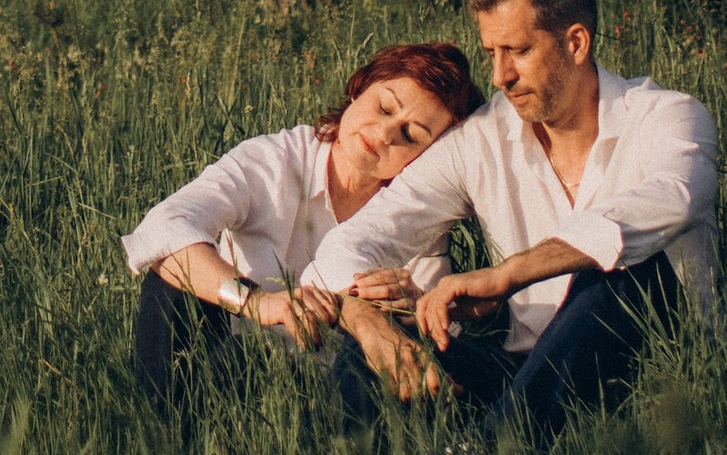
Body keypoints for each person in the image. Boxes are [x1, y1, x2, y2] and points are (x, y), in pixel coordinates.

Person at [296, 0, 717, 445]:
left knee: (620, 271)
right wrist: (366, 321)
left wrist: (508, 274)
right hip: (521, 375)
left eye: (518, 51)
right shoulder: (482, 138)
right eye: (491, 53)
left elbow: (676, 197)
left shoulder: (667, 116)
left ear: (576, 43)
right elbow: (353, 243)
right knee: (384, 328)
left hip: (650, 372)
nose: (499, 77)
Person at [125, 40, 480, 404]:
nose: (386, 133)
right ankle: (163, 426)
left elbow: (441, 334)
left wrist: (412, 304)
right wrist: (259, 302)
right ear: (359, 88)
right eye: (384, 106)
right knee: (172, 271)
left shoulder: (415, 211)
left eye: (411, 135)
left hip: (321, 388)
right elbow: (163, 226)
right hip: (227, 349)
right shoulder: (274, 160)